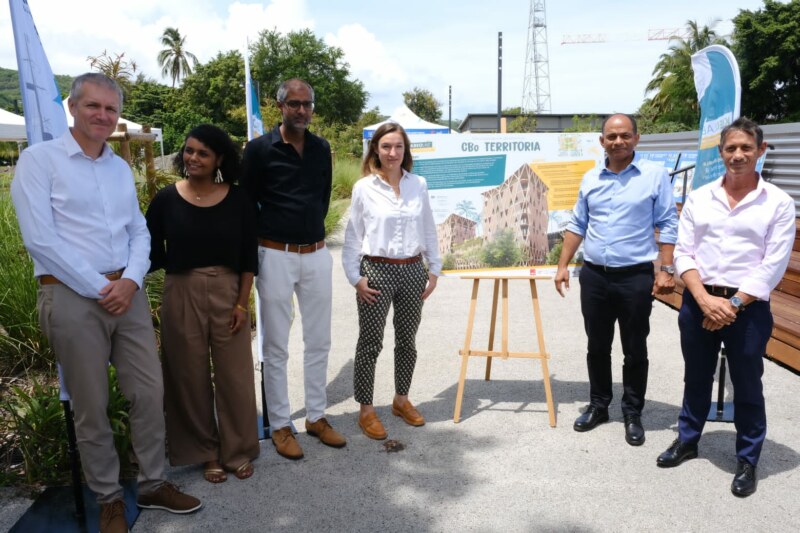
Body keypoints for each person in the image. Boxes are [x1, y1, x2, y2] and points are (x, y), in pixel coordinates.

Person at [11, 73, 201, 533]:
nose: (102, 115)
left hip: (126, 295)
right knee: (91, 405)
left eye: (110, 109)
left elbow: (138, 229)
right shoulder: (40, 161)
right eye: (93, 106)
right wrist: (102, 287)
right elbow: (41, 239)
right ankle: (109, 499)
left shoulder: (117, 167)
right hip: (72, 295)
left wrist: (132, 280)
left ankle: (154, 484)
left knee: (148, 392)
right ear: (73, 108)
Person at [656, 118, 795, 497]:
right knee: (695, 377)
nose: (738, 155)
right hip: (698, 300)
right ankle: (687, 440)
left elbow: (773, 263)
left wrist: (731, 305)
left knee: (748, 384)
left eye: (746, 148)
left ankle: (748, 458)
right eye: (730, 148)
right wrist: (702, 300)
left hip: (746, 308)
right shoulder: (700, 198)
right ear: (721, 153)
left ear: (760, 151)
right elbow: (684, 252)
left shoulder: (779, 203)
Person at [554, 113, 678, 446]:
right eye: (611, 136)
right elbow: (578, 224)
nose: (618, 142)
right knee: (597, 346)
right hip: (594, 276)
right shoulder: (591, 178)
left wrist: (666, 269)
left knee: (634, 347)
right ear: (602, 141)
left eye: (624, 135)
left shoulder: (654, 177)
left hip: (635, 277)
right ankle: (599, 406)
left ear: (636, 138)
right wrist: (563, 265)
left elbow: (668, 223)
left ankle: (633, 412)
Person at [146, 124, 260, 484]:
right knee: (187, 374)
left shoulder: (238, 199)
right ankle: (205, 452)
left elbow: (247, 257)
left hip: (229, 292)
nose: (193, 158)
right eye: (189, 151)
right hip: (181, 290)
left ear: (219, 159)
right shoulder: (165, 199)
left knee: (235, 375)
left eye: (203, 153)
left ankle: (237, 450)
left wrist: (242, 304)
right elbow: (149, 252)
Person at [240, 78, 346, 460]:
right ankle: (282, 424)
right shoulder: (258, 151)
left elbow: (321, 198)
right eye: (294, 104)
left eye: (307, 104)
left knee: (319, 340)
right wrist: (254, 260)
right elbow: (246, 206)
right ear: (280, 106)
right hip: (275, 255)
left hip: (316, 254)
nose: (302, 110)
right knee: (276, 344)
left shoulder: (322, 148)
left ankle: (316, 417)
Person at [342, 123, 441, 440]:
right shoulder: (364, 188)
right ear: (375, 150)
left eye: (398, 146)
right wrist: (355, 278)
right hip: (377, 271)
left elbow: (428, 228)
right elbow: (353, 237)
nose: (392, 153)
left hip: (413, 270)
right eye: (386, 146)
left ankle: (401, 400)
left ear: (405, 150)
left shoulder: (418, 184)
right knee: (370, 343)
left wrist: (434, 269)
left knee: (407, 341)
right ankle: (366, 410)